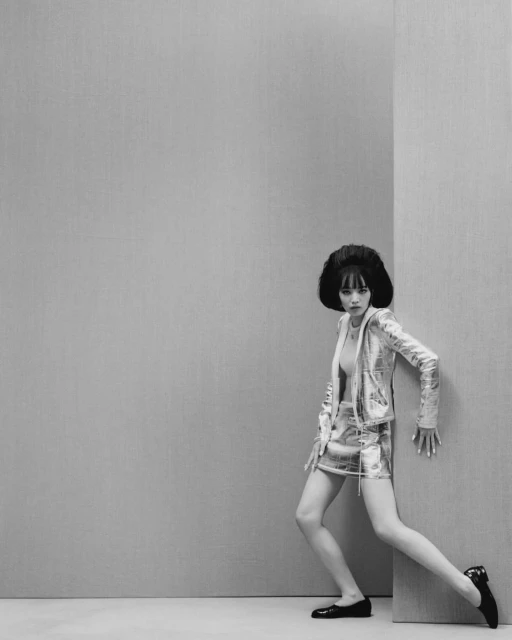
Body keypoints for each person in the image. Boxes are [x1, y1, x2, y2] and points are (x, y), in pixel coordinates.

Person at [295, 244, 498, 628]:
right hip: (338, 434)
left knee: (387, 527)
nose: (354, 299)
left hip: (370, 437)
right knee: (306, 516)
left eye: (361, 290)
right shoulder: (343, 325)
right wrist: (323, 431)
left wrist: (427, 417)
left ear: (372, 289)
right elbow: (337, 384)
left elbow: (428, 361)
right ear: (337, 294)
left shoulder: (381, 323)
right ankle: (353, 597)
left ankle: (470, 586)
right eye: (346, 291)